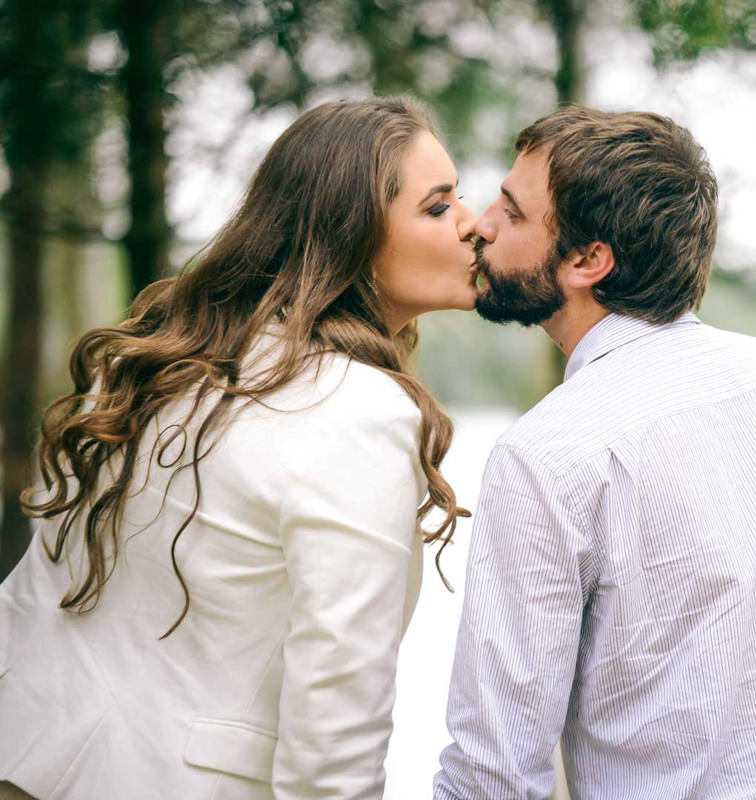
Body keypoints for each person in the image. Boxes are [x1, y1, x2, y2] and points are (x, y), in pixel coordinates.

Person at [433, 107, 756, 799]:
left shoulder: (547, 452)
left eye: (512, 213)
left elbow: (494, 769)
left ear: (588, 260)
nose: (480, 224)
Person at [0, 97, 477, 800]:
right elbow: (336, 716)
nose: (474, 223)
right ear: (347, 236)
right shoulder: (361, 413)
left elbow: (29, 597)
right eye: (437, 207)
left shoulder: (154, 359)